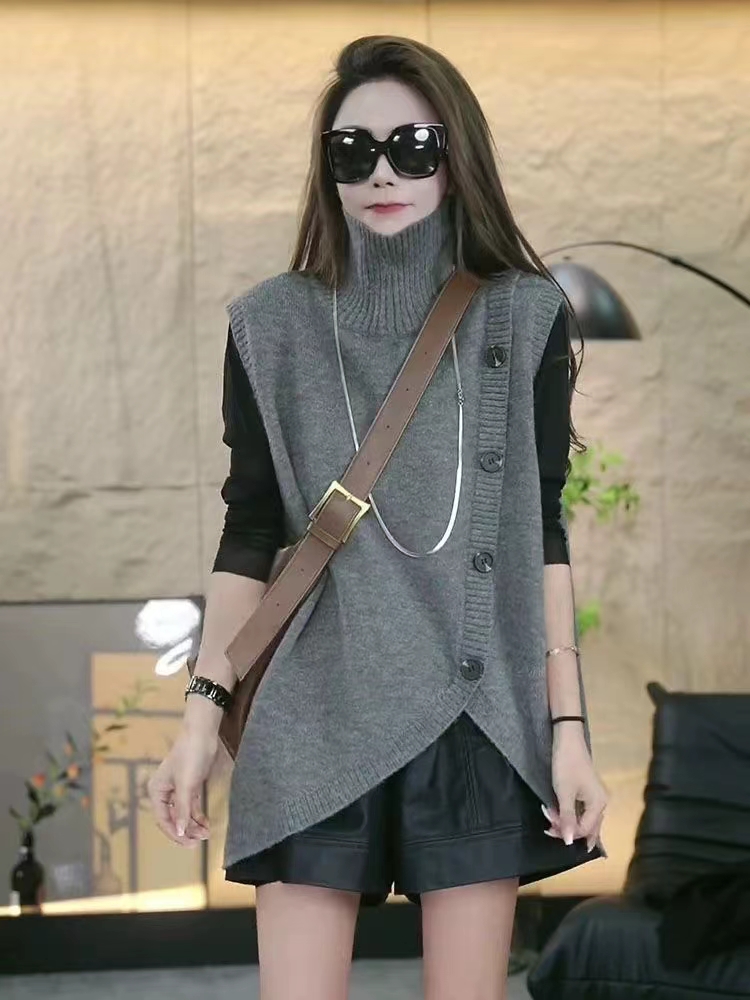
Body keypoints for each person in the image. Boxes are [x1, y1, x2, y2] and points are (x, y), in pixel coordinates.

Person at [148, 34, 608, 1000]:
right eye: (353, 151)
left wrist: (568, 726)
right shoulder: (269, 325)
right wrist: (199, 719)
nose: (382, 173)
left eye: (413, 146)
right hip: (312, 706)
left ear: (457, 155)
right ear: (327, 167)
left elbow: (542, 534)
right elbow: (249, 531)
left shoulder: (524, 315)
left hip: (474, 712)